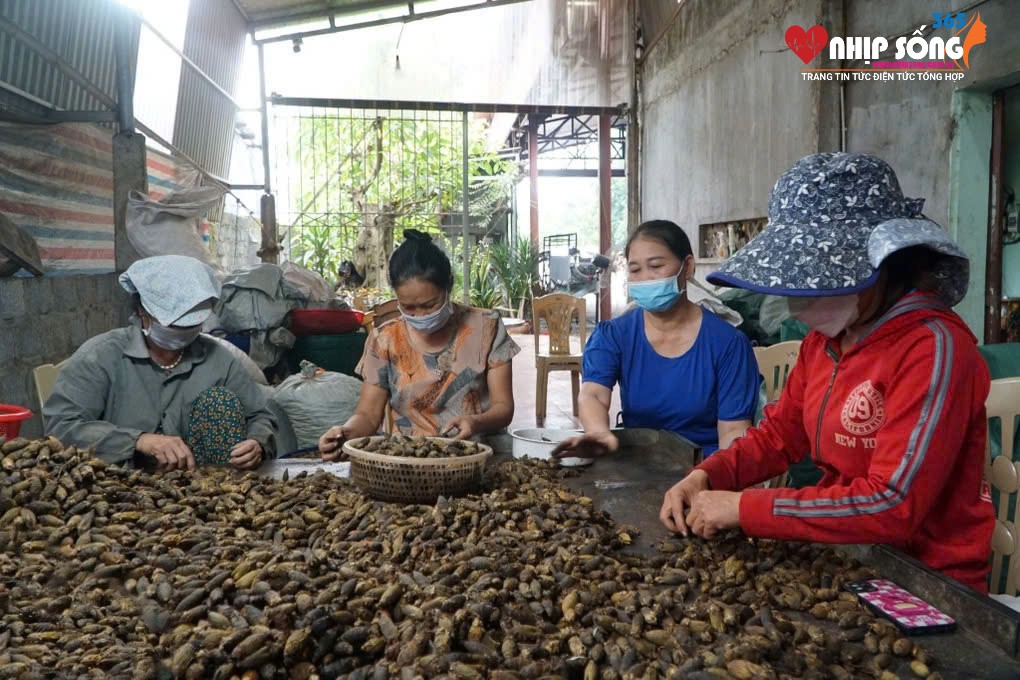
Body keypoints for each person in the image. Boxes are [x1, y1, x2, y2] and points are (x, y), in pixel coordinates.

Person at [659, 153, 995, 593]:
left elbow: (891, 504)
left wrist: (745, 508)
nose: (803, 300)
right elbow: (779, 435)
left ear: (884, 264)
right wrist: (707, 475)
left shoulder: (934, 348)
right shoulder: (825, 343)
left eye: (820, 279)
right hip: (848, 555)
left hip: (927, 578)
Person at [44, 255, 276, 471]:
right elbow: (61, 427)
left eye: (191, 326)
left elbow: (260, 415)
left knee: (219, 402)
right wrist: (138, 440)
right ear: (142, 312)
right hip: (116, 484)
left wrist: (257, 442)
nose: (183, 333)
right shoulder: (100, 356)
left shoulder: (219, 359)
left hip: (202, 486)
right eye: (174, 325)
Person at [553, 220, 760, 460]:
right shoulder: (614, 335)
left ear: (688, 267)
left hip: (704, 468)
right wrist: (598, 432)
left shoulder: (728, 344)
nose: (645, 279)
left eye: (656, 265)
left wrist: (709, 481)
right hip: (639, 467)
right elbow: (593, 394)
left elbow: (733, 431)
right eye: (635, 269)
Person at [318, 230, 519, 457]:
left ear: (448, 286)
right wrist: (345, 433)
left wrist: (475, 422)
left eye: (430, 304)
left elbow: (504, 408)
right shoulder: (385, 338)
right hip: (407, 459)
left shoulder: (486, 328)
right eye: (409, 307)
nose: (421, 315)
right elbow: (368, 415)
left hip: (475, 454)